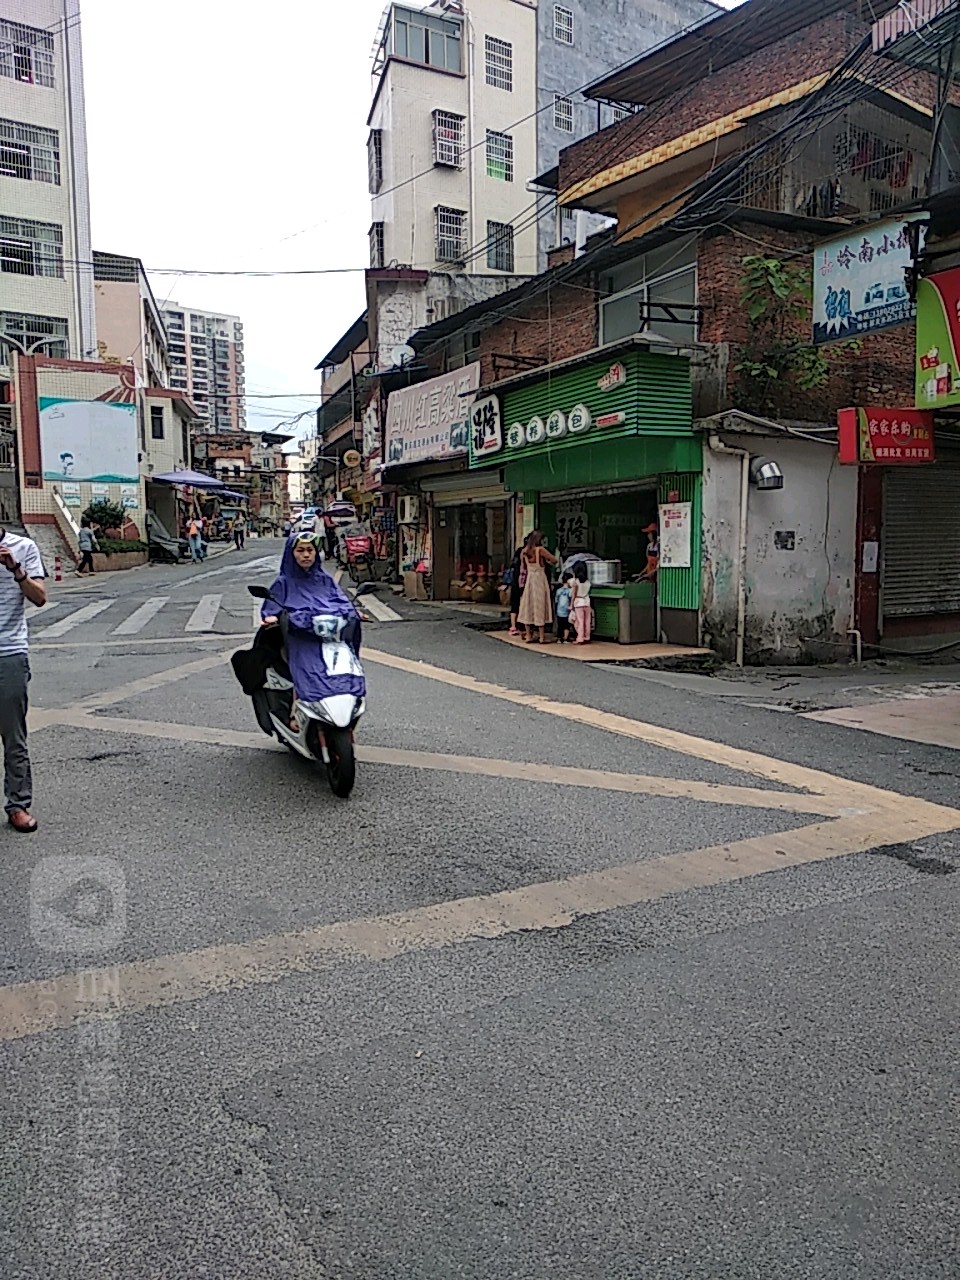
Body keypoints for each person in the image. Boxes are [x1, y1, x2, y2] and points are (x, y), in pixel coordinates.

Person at [260, 532, 364, 731]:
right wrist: (271, 616)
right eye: (300, 551)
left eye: (310, 550)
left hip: (331, 638)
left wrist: (353, 613)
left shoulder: (325, 580)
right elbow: (271, 605)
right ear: (292, 554)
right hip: (301, 639)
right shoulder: (283, 582)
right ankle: (295, 713)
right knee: (306, 670)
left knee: (347, 670)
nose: (306, 555)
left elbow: (341, 602)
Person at [0, 527, 47, 832]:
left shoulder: (23, 546)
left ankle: (18, 804)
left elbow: (40, 597)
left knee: (13, 736)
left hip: (9, 652)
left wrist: (16, 569)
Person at [517, 530, 556, 644]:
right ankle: (542, 636)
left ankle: (529, 635)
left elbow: (523, 568)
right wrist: (548, 562)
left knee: (527, 606)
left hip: (530, 580)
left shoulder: (524, 552)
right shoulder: (540, 550)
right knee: (540, 605)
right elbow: (554, 560)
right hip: (540, 579)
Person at [506, 534, 530, 636]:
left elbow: (513, 565)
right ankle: (524, 626)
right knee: (524, 604)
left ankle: (513, 626)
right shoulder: (528, 553)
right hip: (526, 582)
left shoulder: (518, 551)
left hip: (516, 581)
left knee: (515, 603)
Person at [571, 561, 593, 644]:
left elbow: (574, 594)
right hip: (587, 602)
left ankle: (580, 638)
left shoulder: (575, 582)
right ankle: (587, 637)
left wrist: (571, 604)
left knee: (580, 621)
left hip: (578, 602)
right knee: (587, 621)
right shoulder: (588, 582)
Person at [554, 571, 574, 643]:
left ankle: (559, 638)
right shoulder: (570, 591)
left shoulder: (558, 590)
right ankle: (565, 638)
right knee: (566, 625)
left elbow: (556, 600)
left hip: (559, 611)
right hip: (567, 611)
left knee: (560, 625)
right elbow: (571, 599)